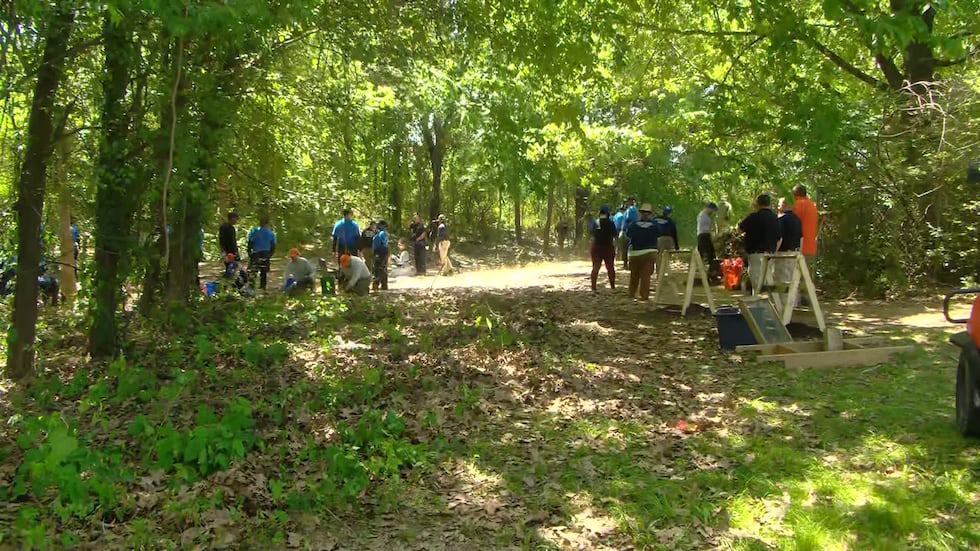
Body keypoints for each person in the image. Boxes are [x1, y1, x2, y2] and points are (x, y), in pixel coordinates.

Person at [738, 194, 781, 294]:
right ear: (769, 204)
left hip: (755, 254)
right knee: (768, 281)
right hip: (769, 254)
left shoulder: (752, 217)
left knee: (756, 283)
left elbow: (740, 229)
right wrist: (774, 251)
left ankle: (759, 306)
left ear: (757, 204)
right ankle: (768, 305)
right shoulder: (775, 218)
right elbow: (779, 238)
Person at [625, 203, 660, 302]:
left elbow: (628, 235)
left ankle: (632, 293)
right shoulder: (655, 225)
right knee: (646, 276)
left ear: (640, 213)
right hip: (650, 252)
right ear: (650, 213)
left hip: (635, 253)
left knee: (634, 274)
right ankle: (644, 295)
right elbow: (659, 234)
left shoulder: (633, 224)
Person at [775, 197, 803, 304]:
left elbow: (779, 239)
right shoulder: (797, 220)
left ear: (783, 205)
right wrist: (800, 252)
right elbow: (801, 238)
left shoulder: (781, 220)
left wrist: (774, 254)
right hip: (795, 253)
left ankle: (784, 305)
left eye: (779, 204)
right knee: (794, 280)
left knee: (783, 281)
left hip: (783, 255)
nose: (778, 207)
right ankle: (794, 304)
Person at [792, 184, 819, 277]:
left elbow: (793, 224)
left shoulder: (798, 205)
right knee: (806, 276)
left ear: (795, 194)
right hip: (810, 246)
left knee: (795, 278)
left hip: (799, 246)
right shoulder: (812, 206)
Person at [590, 205, 617, 292]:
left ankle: (593, 287)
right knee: (610, 267)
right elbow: (615, 235)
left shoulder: (596, 222)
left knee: (596, 267)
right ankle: (612, 286)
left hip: (597, 247)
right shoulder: (611, 223)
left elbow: (592, 233)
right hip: (608, 247)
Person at [247, 216, 276, 291]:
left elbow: (250, 242)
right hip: (265, 252)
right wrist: (270, 254)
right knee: (263, 271)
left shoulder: (254, 231)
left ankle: (251, 287)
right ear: (267, 223)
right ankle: (263, 287)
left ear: (260, 222)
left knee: (253, 271)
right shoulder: (270, 233)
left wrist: (249, 252)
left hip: (256, 252)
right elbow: (273, 245)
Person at [621, 197, 639, 269]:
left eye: (628, 201)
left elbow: (628, 219)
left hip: (628, 230)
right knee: (632, 247)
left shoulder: (630, 210)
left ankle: (626, 264)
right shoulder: (635, 210)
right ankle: (631, 263)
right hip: (633, 230)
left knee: (625, 247)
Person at [372, 220, 390, 290]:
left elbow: (377, 243)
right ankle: (384, 285)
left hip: (379, 251)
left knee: (378, 268)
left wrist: (375, 253)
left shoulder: (381, 234)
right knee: (383, 267)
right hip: (384, 251)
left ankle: (376, 284)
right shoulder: (385, 233)